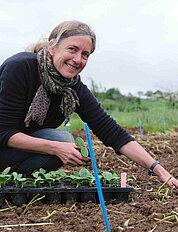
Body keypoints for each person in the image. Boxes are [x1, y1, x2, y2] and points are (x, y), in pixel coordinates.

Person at [0, 20, 177, 188]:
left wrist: (157, 169)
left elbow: (111, 131)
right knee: (61, 141)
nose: (77, 60)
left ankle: (15, 181)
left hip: (15, 152)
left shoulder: (71, 87)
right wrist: (56, 148)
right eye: (72, 49)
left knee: (62, 140)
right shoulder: (20, 67)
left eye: (85, 54)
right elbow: (3, 132)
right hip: (4, 145)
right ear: (53, 47)